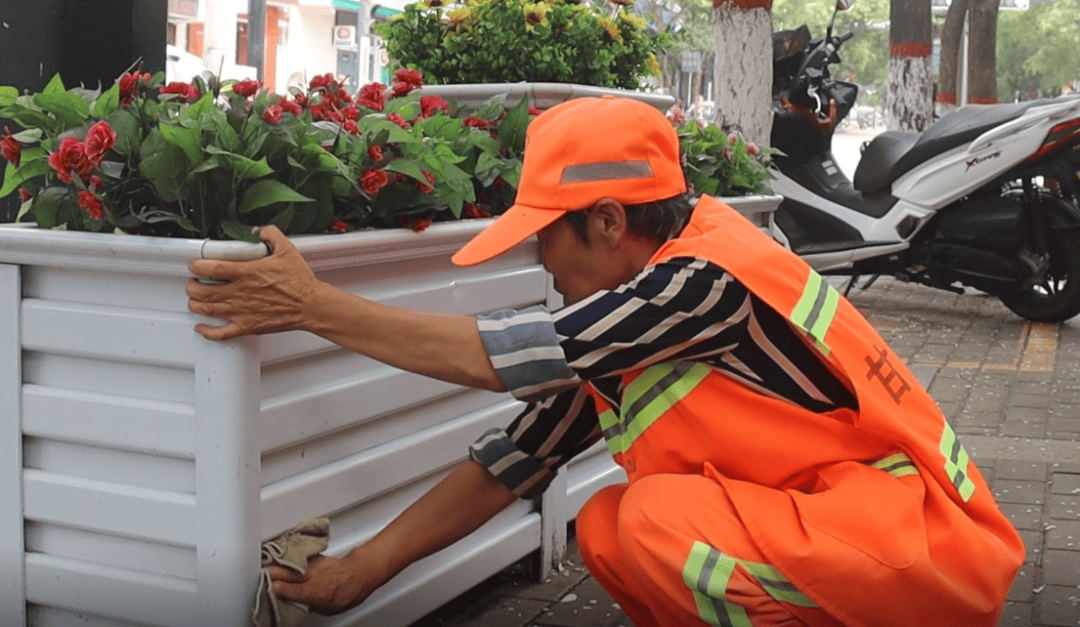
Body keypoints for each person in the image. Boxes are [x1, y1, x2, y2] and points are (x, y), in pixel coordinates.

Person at [186, 96, 1024, 627]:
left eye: (546, 236)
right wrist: (358, 573)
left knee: (655, 517)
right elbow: (518, 458)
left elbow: (502, 359)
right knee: (610, 526)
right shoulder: (643, 310)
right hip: (853, 536)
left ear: (611, 222)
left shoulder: (701, 283)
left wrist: (313, 306)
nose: (541, 263)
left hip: (923, 555)